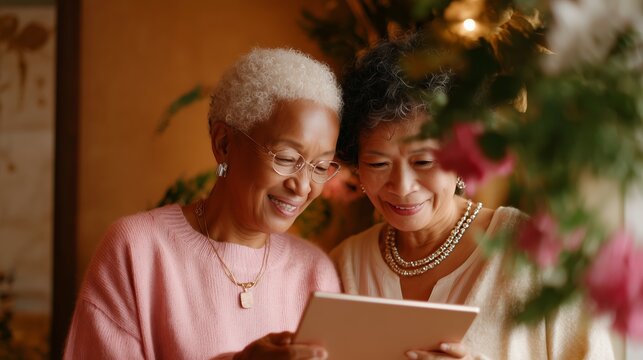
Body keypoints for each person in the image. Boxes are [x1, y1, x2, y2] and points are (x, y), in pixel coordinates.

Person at [331, 35, 615, 359]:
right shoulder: (346, 265)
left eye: (424, 161)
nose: (402, 185)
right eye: (378, 163)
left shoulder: (532, 252)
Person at [64, 48, 343, 359]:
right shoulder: (136, 248)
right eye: (287, 158)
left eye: (320, 167)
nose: (303, 186)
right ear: (223, 144)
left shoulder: (315, 272)